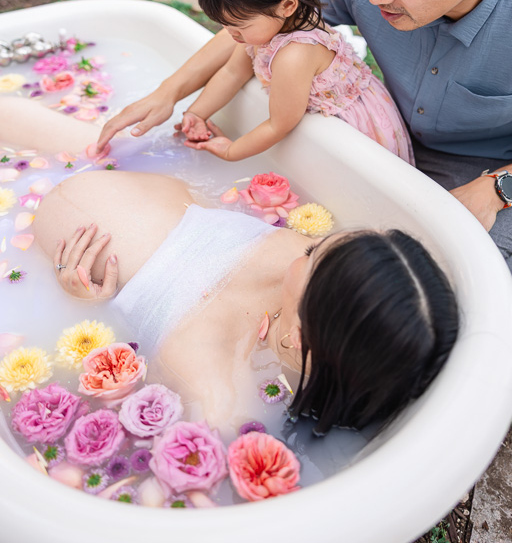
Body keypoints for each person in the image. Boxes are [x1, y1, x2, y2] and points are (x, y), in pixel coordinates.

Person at [97, 0, 512, 272]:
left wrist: (497, 188)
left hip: (491, 171)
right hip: (389, 146)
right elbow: (264, 21)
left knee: (464, 284)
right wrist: (169, 92)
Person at [1, 97, 457, 434]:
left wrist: (86, 307)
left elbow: (120, 390)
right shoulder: (315, 289)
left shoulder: (216, 382)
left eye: (315, 253)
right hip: (107, 163)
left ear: (299, 335)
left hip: (25, 221)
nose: (317, 240)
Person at [179, 0, 413, 163]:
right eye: (224, 25)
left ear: (287, 5)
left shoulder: (295, 53)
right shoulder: (268, 25)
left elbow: (278, 125)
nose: (232, 35)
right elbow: (232, 73)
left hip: (357, 131)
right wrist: (197, 112)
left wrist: (231, 151)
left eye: (239, 26)